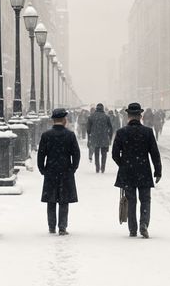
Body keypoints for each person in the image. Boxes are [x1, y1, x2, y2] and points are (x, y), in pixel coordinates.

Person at [111, 101, 162, 238]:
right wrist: (157, 171)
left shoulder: (121, 133)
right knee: (145, 199)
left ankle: (132, 228)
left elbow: (115, 154)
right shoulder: (148, 132)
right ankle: (144, 223)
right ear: (141, 116)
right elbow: (154, 153)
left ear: (128, 116)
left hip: (128, 172)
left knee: (131, 199)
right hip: (144, 170)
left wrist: (123, 164)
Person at [37, 107, 81, 235]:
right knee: (64, 200)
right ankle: (62, 227)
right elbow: (76, 154)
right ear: (64, 120)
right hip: (66, 171)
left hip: (51, 170)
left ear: (53, 120)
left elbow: (41, 154)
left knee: (51, 200)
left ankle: (51, 226)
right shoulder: (70, 135)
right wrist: (73, 168)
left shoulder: (46, 135)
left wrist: (42, 169)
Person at [85, 101, 114, 173]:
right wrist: (110, 138)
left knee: (96, 153)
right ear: (103, 109)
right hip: (104, 138)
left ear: (96, 109)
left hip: (95, 137)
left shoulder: (91, 117)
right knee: (104, 154)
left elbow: (88, 129)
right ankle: (103, 167)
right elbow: (111, 128)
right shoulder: (106, 117)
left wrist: (89, 137)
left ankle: (97, 167)